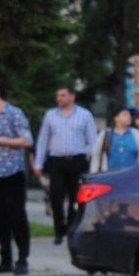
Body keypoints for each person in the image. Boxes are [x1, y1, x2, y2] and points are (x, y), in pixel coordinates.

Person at [0, 77, 35, 276]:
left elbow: (27, 140)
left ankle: (22, 259)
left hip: (12, 172)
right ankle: (5, 260)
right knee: (2, 219)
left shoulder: (14, 113)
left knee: (17, 216)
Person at [34, 85, 96, 244]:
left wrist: (85, 154)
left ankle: (71, 227)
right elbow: (43, 140)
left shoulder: (84, 115)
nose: (59, 99)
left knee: (76, 197)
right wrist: (38, 162)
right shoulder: (50, 115)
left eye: (62, 95)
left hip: (77, 160)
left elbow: (92, 140)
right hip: (57, 161)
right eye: (58, 96)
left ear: (72, 97)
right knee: (55, 196)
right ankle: (58, 229)